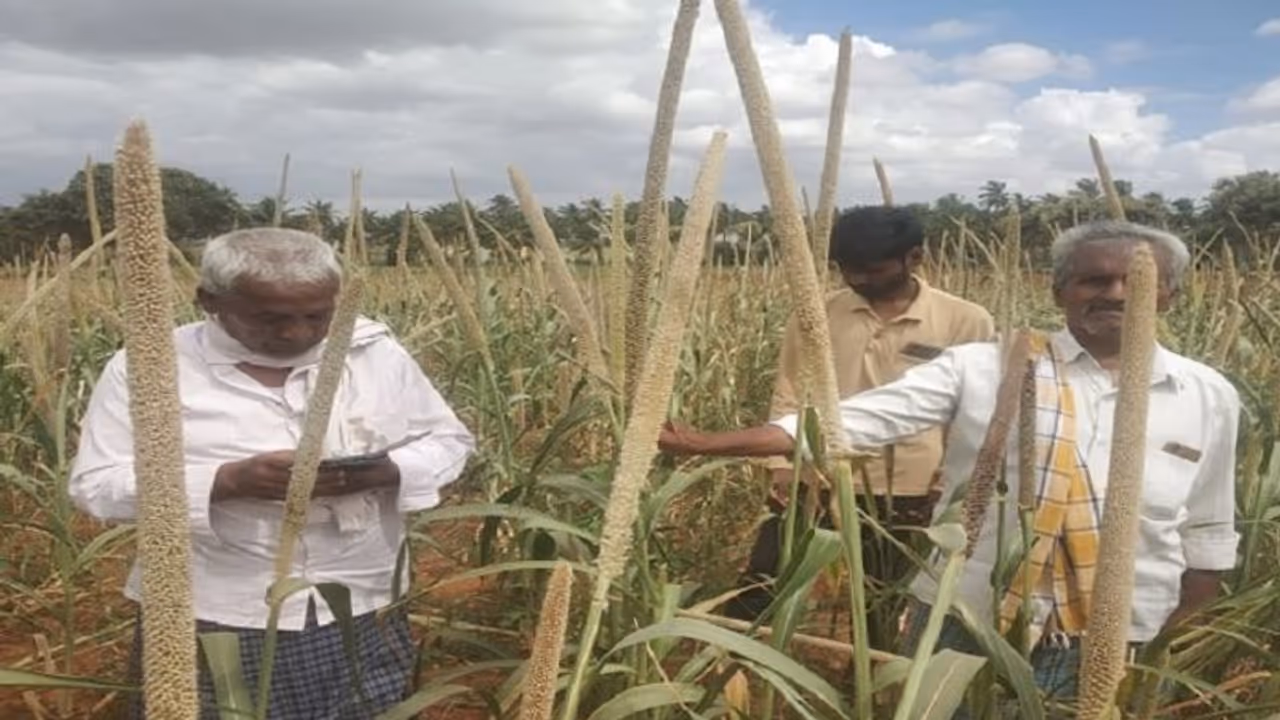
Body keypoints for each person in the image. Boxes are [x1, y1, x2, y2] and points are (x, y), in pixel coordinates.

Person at [659, 220, 1239, 710]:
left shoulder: (1208, 394)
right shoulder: (990, 368)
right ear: (1059, 290)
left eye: (1137, 282)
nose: (1115, 294)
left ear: (1170, 296)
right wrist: (712, 444)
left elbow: (1208, 529)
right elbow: (855, 421)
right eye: (1094, 280)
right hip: (965, 618)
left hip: (1120, 631)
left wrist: (1175, 631)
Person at [69, 228, 476, 719]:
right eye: (270, 318)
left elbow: (448, 441)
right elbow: (97, 485)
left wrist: (388, 472)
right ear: (210, 301)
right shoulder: (151, 366)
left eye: (315, 316)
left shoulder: (373, 354)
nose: (296, 333)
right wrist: (226, 483)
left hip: (363, 599)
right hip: (217, 610)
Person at [726, 206, 995, 628]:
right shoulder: (817, 313)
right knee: (761, 583)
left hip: (910, 486)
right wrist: (780, 466)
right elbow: (790, 388)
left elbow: (975, 409)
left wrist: (950, 479)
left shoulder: (965, 320)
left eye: (871, 270)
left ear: (914, 258)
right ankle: (736, 671)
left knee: (880, 600)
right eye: (846, 269)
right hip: (815, 474)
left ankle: (865, 683)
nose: (857, 280)